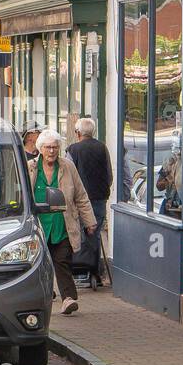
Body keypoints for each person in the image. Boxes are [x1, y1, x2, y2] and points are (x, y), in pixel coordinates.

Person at [29, 130, 96, 315]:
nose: (52, 151)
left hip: (63, 224)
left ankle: (68, 298)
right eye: (48, 147)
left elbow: (81, 196)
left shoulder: (68, 167)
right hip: (38, 225)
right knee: (40, 264)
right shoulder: (31, 168)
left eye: (55, 147)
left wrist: (89, 221)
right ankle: (44, 294)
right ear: (40, 149)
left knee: (62, 261)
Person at [64, 116, 112, 287]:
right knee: (95, 233)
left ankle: (80, 272)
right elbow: (109, 174)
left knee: (79, 234)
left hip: (80, 200)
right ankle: (94, 272)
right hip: (99, 197)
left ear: (78, 133)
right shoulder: (102, 148)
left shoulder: (73, 150)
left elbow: (66, 176)